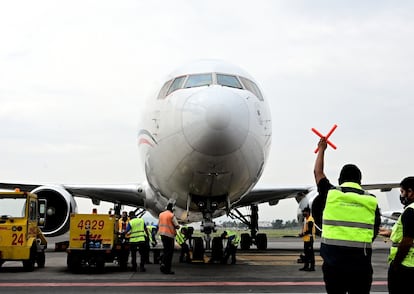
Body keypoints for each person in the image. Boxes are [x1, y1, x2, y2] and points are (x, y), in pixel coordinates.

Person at [313, 137, 381, 294]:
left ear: (340, 180)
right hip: (361, 266)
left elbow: (318, 173)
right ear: (360, 181)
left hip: (334, 265)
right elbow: (374, 230)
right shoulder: (371, 200)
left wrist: (322, 149)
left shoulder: (331, 194)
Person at [378, 177, 414, 294]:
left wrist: (396, 264)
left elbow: (407, 241)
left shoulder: (410, 211)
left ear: (410, 192)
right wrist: (391, 233)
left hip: (406, 266)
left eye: (402, 192)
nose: (402, 196)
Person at [158, 202, 180, 274]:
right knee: (169, 253)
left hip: (162, 235)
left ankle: (162, 261)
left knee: (166, 250)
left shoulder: (161, 214)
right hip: (169, 236)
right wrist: (177, 227)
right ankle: (167, 269)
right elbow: (177, 225)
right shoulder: (171, 215)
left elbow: (159, 223)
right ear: (172, 209)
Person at [298, 206, 315, 271]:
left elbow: (309, 231)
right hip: (306, 239)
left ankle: (312, 267)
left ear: (308, 212)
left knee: (310, 254)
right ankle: (306, 266)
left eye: (304, 212)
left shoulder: (310, 220)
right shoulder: (306, 219)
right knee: (306, 253)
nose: (303, 213)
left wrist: (302, 234)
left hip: (309, 239)